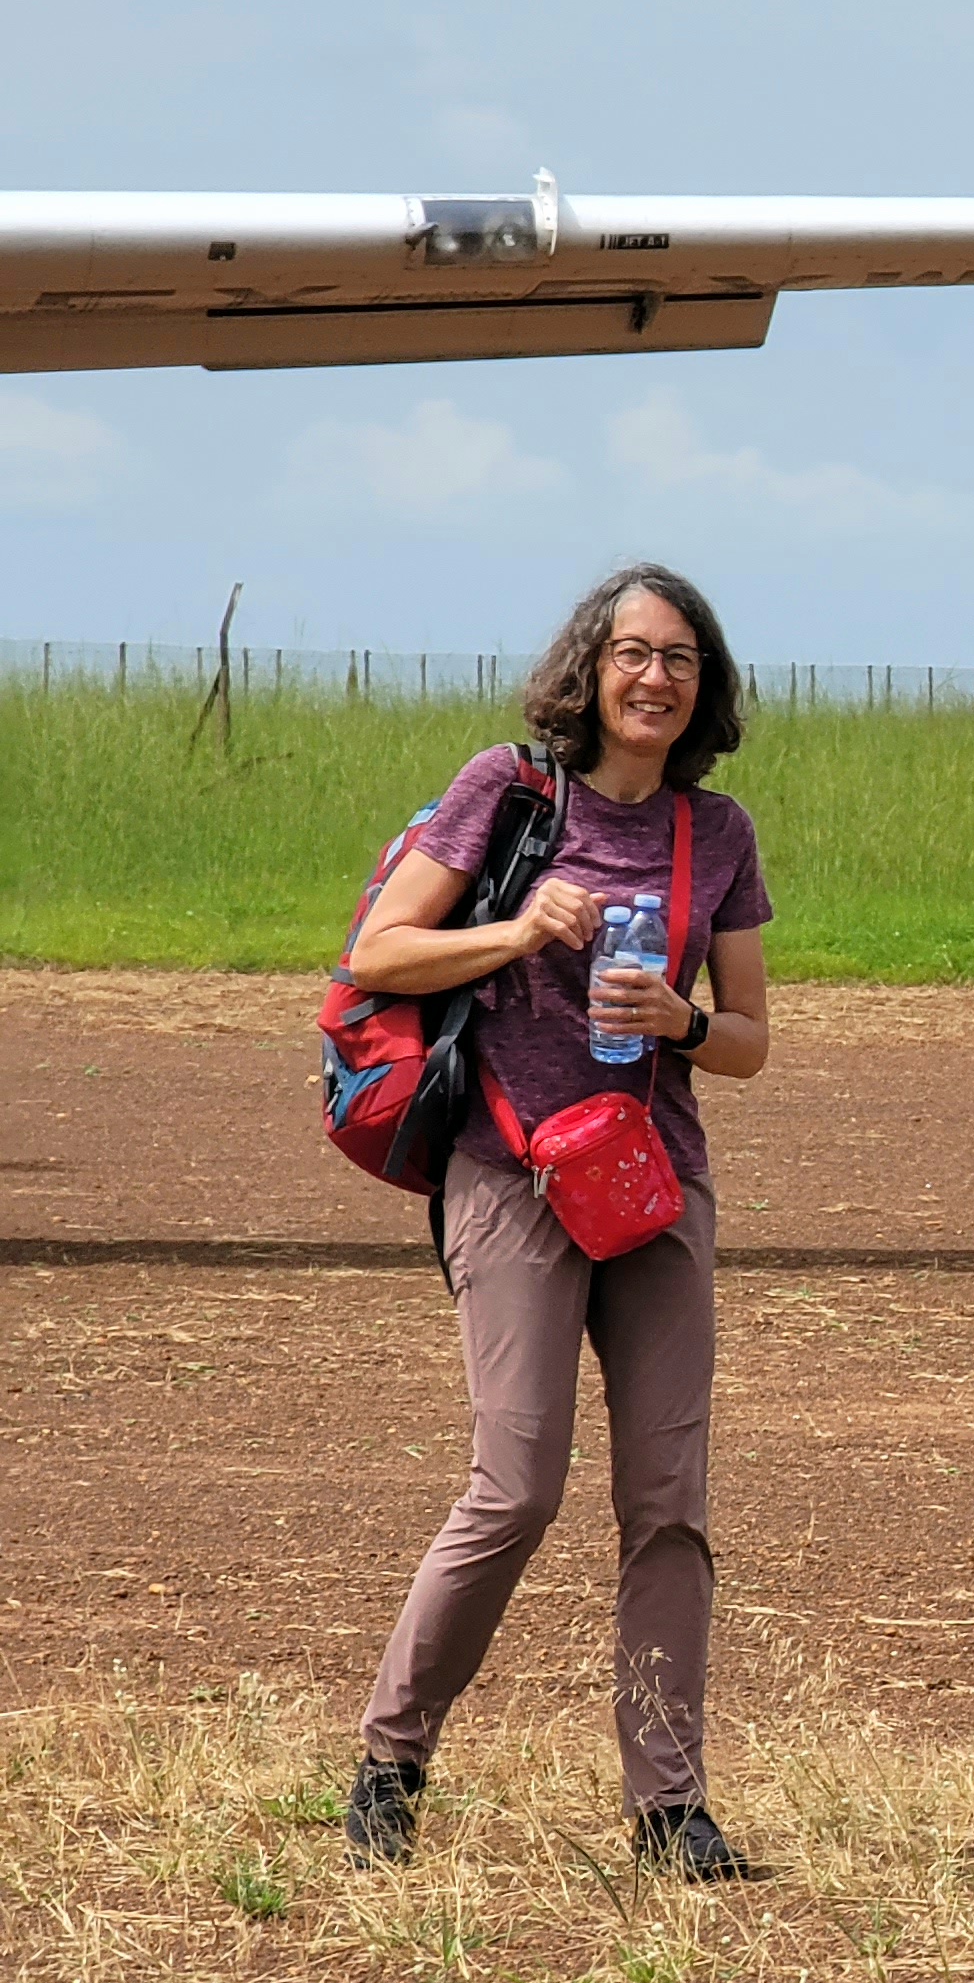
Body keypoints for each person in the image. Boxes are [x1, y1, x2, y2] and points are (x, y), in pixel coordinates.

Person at [337, 564, 778, 1878]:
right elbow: (379, 954)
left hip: (654, 1185)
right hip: (510, 1170)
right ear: (588, 668)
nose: (657, 677)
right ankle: (390, 1763)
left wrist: (685, 1021)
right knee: (516, 1487)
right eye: (635, 651)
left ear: (706, 686)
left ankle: (669, 1806)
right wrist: (522, 928)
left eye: (683, 658)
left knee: (669, 1502)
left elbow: (751, 1039)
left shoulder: (719, 833)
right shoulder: (508, 792)